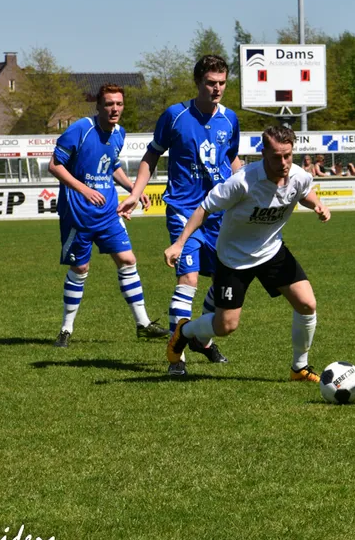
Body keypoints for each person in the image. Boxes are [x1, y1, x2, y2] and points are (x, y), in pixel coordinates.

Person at [163, 125, 331, 380]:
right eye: (276, 157)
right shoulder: (242, 181)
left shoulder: (299, 176)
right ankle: (184, 331)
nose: (283, 163)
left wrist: (318, 205)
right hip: (234, 258)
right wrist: (179, 244)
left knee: (307, 304)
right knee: (226, 326)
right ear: (263, 153)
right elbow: (203, 209)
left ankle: (299, 368)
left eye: (288, 156)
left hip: (271, 250)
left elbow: (305, 192)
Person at [119, 55, 240, 368]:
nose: (217, 89)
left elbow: (232, 160)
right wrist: (136, 193)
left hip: (218, 214)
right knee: (188, 279)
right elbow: (151, 156)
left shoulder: (230, 119)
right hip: (183, 210)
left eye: (222, 83)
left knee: (223, 281)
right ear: (198, 82)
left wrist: (247, 192)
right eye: (211, 83)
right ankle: (177, 356)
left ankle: (201, 338)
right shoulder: (175, 115)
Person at [49, 84, 167, 348]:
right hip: (77, 213)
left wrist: (134, 190)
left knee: (127, 260)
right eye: (109, 104)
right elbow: (54, 166)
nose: (115, 109)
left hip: (108, 213)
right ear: (99, 106)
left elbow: (112, 165)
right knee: (80, 268)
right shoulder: (81, 129)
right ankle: (66, 329)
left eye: (119, 104)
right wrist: (83, 189)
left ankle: (143, 324)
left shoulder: (119, 133)